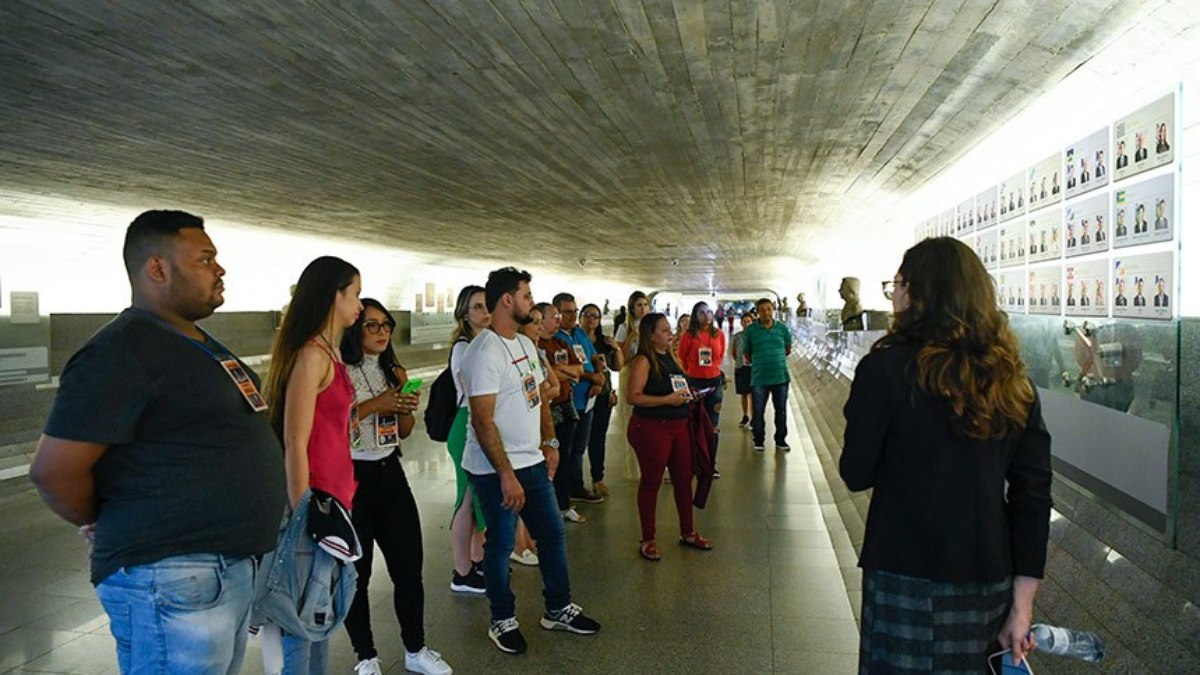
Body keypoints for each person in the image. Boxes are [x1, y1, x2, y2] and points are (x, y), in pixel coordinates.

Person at [29, 210, 286, 674]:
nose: (220, 269)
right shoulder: (121, 351)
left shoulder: (192, 341)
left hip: (219, 571)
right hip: (171, 577)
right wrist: (104, 519)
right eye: (206, 259)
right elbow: (54, 471)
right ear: (157, 268)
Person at [840, 236, 1052, 673]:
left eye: (897, 284)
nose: (894, 296)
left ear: (919, 293)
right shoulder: (1010, 379)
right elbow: (1033, 495)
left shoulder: (884, 369)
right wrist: (1023, 607)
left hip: (901, 570)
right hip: (987, 576)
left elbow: (856, 472)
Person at [461, 267, 600, 655]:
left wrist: (550, 441)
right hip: (495, 468)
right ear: (508, 299)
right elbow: (482, 420)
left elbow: (537, 396)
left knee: (551, 535)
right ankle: (501, 618)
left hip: (533, 460)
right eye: (526, 295)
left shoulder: (524, 344)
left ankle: (558, 608)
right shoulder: (483, 352)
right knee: (502, 541)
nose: (530, 301)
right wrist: (506, 474)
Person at [341, 300, 453, 675]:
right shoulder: (336, 371)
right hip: (352, 477)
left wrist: (404, 407)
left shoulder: (395, 370)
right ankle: (365, 655)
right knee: (358, 573)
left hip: (390, 471)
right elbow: (332, 429)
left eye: (385, 325)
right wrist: (376, 404)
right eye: (371, 325)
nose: (381, 332)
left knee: (408, 566)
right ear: (354, 329)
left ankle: (415, 648)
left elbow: (403, 432)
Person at [263, 255, 364, 673]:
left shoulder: (332, 352)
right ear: (333, 295)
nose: (359, 305)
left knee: (320, 617)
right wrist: (303, 508)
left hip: (336, 502)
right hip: (315, 506)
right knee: (302, 622)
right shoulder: (312, 357)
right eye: (354, 294)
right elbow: (294, 439)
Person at [626, 312, 713, 561]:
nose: (670, 333)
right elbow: (634, 396)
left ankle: (688, 531)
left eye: (669, 329)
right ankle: (648, 538)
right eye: (664, 330)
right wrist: (667, 400)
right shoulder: (643, 361)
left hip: (679, 425)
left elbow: (677, 386)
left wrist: (690, 393)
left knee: (683, 479)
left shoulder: (671, 358)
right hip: (652, 427)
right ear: (651, 336)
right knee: (652, 481)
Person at [447, 286, 489, 594]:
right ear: (465, 313)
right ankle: (461, 570)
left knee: (477, 497)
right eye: (477, 307)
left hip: (478, 422)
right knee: (465, 498)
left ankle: (476, 558)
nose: (484, 312)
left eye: (487, 306)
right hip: (466, 424)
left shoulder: (484, 342)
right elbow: (473, 390)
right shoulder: (464, 347)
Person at [535, 301, 589, 523]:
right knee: (548, 458)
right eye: (553, 317)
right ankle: (549, 505)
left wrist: (559, 372)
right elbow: (549, 377)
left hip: (566, 407)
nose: (557, 321)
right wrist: (562, 373)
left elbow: (579, 369)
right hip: (548, 409)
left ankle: (563, 502)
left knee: (564, 456)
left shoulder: (560, 343)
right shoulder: (537, 348)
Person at [553, 293, 606, 505]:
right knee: (566, 449)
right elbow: (565, 369)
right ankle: (565, 491)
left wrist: (599, 377)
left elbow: (594, 357)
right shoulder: (556, 338)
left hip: (587, 400)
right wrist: (590, 375)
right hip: (569, 402)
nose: (572, 316)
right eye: (567, 312)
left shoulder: (579, 334)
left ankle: (576, 485)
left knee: (578, 449)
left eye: (574, 311)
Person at [580, 302, 624, 497]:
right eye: (587, 315)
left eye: (595, 316)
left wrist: (616, 349)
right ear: (580, 317)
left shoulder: (603, 342)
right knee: (579, 441)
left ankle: (598, 478)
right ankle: (576, 483)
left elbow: (616, 367)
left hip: (603, 396)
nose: (591, 319)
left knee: (598, 438)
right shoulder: (575, 340)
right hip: (583, 395)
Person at [677, 301, 727, 470]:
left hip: (714, 382)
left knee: (712, 424)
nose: (706, 316)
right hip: (694, 382)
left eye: (709, 312)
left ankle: (710, 463)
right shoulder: (689, 335)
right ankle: (694, 460)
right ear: (695, 316)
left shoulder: (718, 334)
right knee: (693, 422)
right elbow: (682, 357)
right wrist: (693, 371)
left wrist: (711, 369)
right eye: (701, 313)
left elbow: (720, 356)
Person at [743, 298, 793, 452]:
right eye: (762, 310)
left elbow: (788, 349)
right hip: (759, 378)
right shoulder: (751, 331)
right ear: (757, 312)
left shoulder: (782, 329)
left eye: (769, 309)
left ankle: (780, 440)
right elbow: (747, 353)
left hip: (780, 377)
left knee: (781, 410)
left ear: (773, 310)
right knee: (758, 411)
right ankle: (759, 440)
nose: (766, 312)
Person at [731, 314, 754, 427]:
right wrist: (739, 362)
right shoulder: (737, 336)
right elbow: (734, 352)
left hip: (753, 368)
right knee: (743, 393)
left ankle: (754, 417)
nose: (746, 323)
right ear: (741, 323)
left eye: (748, 321)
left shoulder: (755, 336)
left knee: (752, 394)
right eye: (744, 321)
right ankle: (745, 415)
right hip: (741, 367)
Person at [615, 291, 651, 362]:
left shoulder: (652, 326)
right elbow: (619, 358)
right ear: (632, 309)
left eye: (645, 304)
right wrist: (632, 336)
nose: (643, 308)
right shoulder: (624, 327)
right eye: (639, 305)